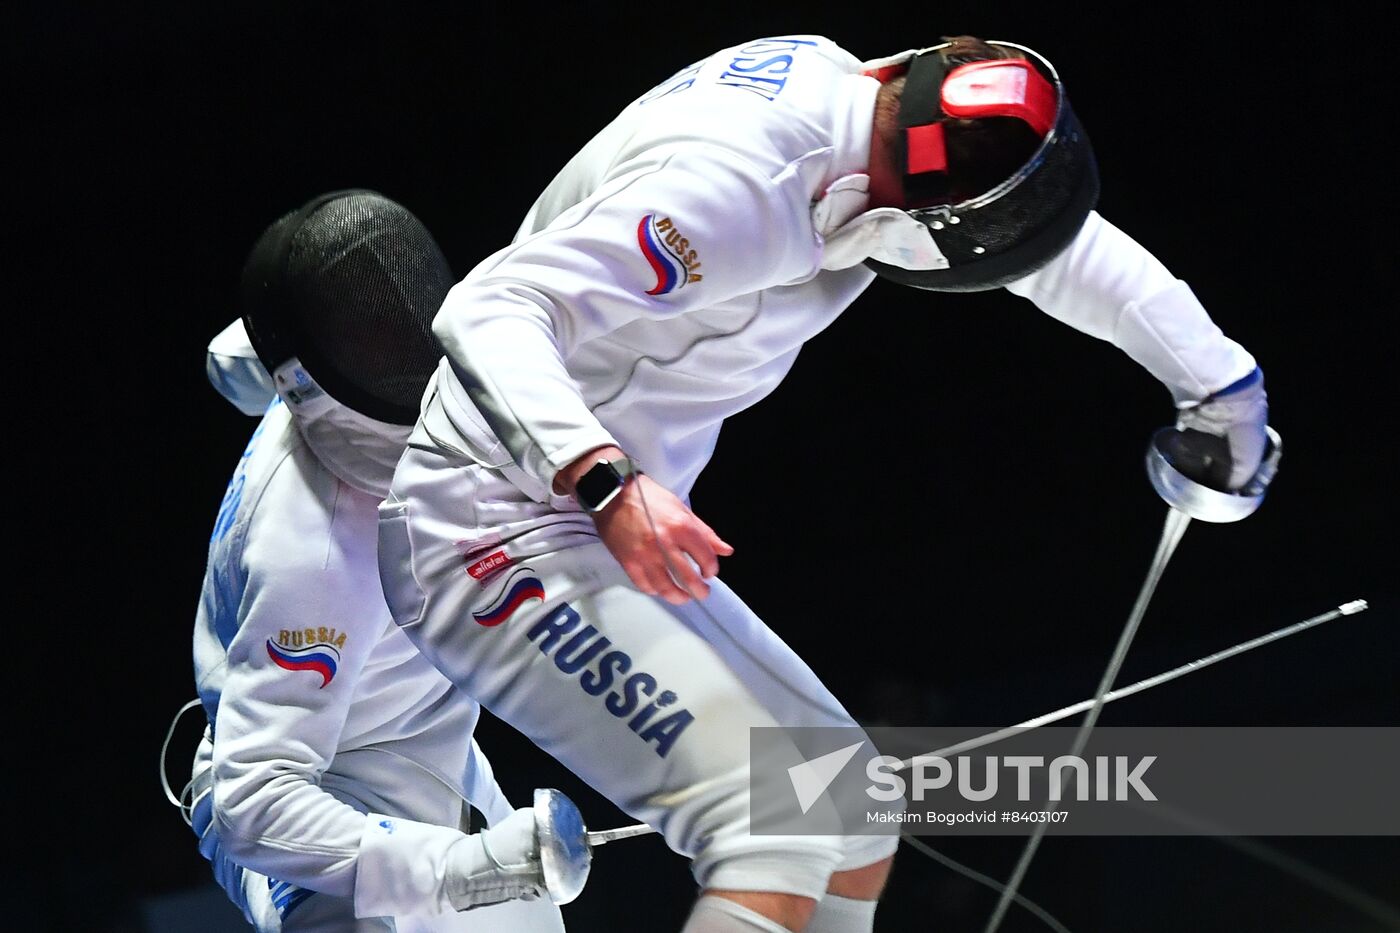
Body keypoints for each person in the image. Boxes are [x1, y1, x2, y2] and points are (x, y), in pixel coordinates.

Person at [375, 35, 1271, 933]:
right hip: (487, 526)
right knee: (773, 824)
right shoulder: (737, 192)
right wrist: (602, 476)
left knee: (850, 811)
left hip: (585, 524)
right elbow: (491, 306)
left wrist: (1220, 388)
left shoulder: (859, 110)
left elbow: (1047, 247)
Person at [188, 189, 573, 932]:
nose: (391, 341)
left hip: (431, 751)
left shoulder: (317, 356)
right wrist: (467, 870)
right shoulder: (324, 549)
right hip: (317, 813)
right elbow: (251, 800)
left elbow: (233, 358)